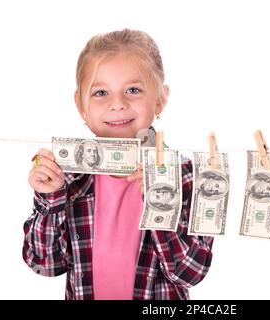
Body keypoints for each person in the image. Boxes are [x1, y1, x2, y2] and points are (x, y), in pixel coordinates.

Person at [23, 29, 214, 300]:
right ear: (80, 105)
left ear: (160, 98)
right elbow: (46, 264)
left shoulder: (185, 176)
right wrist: (49, 199)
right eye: (101, 92)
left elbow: (190, 272)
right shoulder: (68, 178)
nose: (117, 104)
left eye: (133, 90)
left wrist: (161, 203)